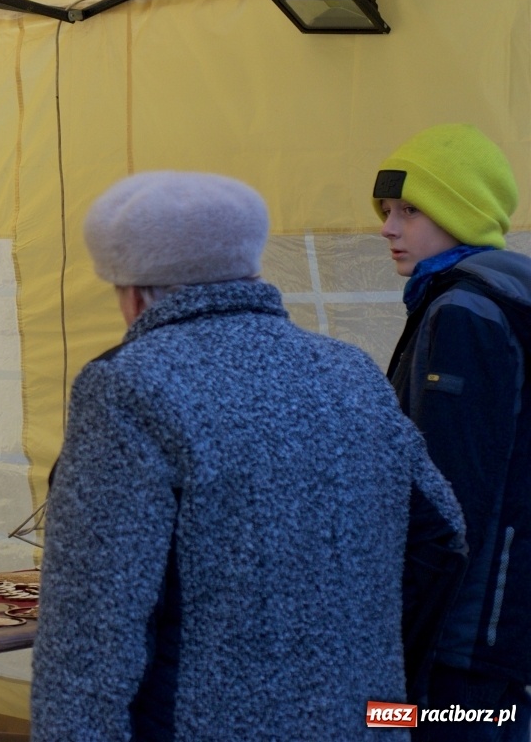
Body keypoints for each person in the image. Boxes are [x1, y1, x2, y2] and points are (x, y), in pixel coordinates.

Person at [31, 171, 465, 741]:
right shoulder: (348, 370)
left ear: (132, 292)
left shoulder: (127, 386)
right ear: (251, 267)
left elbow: (90, 632)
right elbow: (442, 536)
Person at [375, 124, 530, 739]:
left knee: (413, 726)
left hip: (463, 635)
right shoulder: (499, 297)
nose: (387, 227)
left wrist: (403, 623)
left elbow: (445, 496)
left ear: (460, 213)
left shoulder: (465, 311)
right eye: (387, 210)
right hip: (498, 625)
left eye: (409, 210)